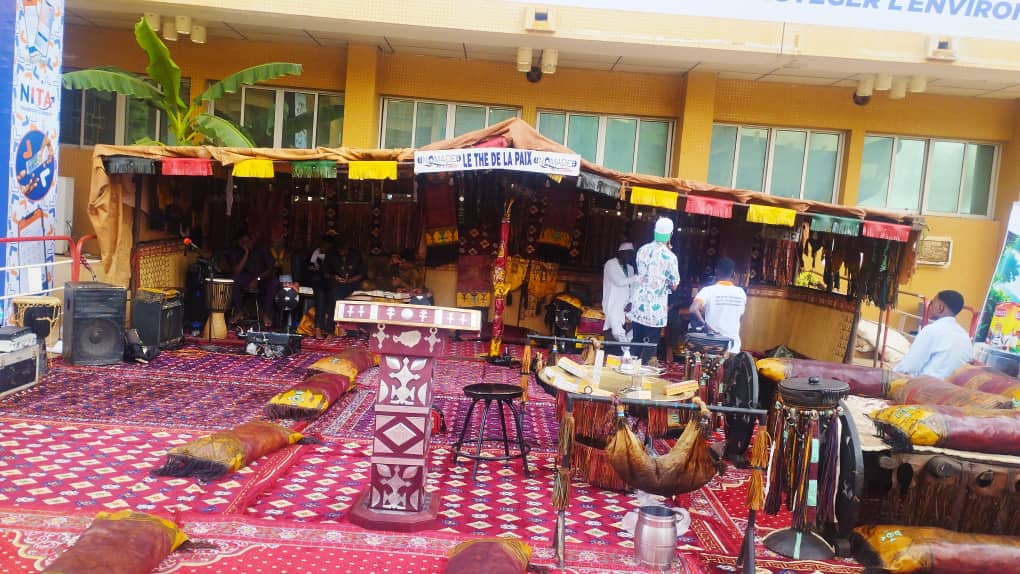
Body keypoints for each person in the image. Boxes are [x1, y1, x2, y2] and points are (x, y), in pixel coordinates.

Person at [629, 218, 679, 363]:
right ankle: (643, 371)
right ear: (670, 234)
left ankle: (628, 368)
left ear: (655, 231)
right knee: (650, 346)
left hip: (639, 306)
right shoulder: (670, 257)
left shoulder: (642, 250)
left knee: (636, 341)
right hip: (654, 311)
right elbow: (674, 285)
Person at [895, 290, 973, 378]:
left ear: (940, 307)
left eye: (932, 303)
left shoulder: (932, 330)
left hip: (928, 384)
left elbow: (908, 367)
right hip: (952, 385)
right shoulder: (965, 337)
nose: (930, 306)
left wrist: (892, 373)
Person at [689, 257, 747, 353]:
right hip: (733, 345)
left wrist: (705, 326)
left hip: (712, 345)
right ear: (733, 274)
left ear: (716, 271)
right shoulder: (741, 293)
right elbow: (740, 315)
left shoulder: (708, 290)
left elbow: (693, 309)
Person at [318, 237, 366, 339]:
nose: (342, 252)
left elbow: (361, 274)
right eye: (340, 249)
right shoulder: (331, 254)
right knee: (334, 296)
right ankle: (331, 330)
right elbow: (325, 273)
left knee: (337, 295)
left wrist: (349, 280)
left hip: (352, 284)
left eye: (344, 249)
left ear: (348, 247)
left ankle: (345, 329)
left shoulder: (356, 255)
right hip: (335, 284)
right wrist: (334, 277)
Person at [228, 231, 277, 328]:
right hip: (246, 279)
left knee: (274, 282)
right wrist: (246, 253)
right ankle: (239, 311)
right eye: (242, 242)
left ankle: (266, 314)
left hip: (262, 278)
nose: (245, 243)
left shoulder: (261, 249)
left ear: (252, 240)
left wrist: (257, 279)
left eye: (247, 241)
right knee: (233, 280)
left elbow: (270, 268)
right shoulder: (236, 251)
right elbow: (237, 272)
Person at [602, 242, 637, 344]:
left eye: (632, 255)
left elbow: (632, 287)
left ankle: (626, 347)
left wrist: (631, 302)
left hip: (627, 305)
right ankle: (626, 349)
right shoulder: (610, 264)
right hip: (614, 303)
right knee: (617, 331)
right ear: (621, 253)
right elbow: (619, 282)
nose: (630, 257)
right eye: (628, 254)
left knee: (639, 325)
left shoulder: (630, 268)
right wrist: (638, 277)